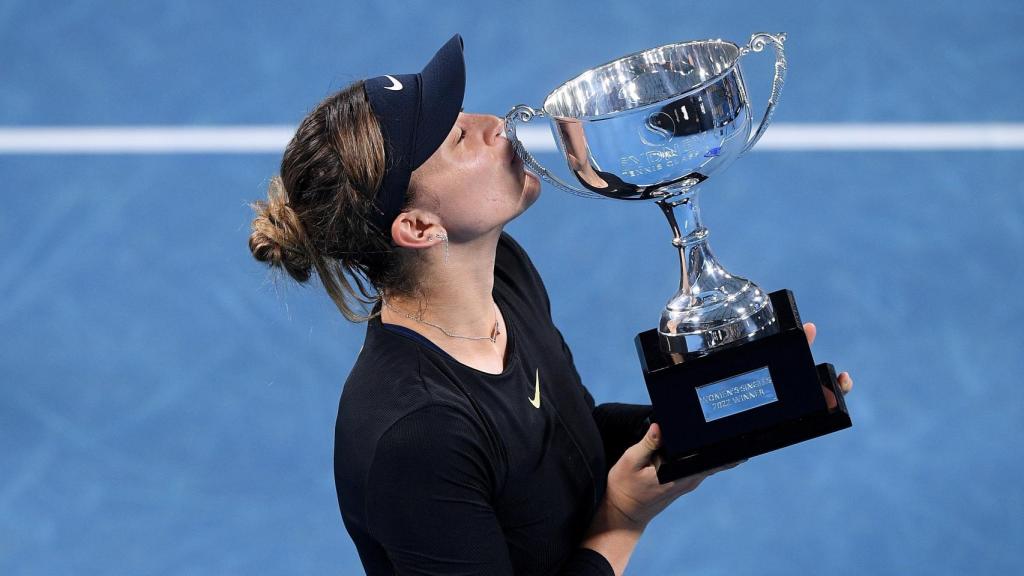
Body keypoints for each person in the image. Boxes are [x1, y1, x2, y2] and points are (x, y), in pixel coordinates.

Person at [248, 34, 853, 576]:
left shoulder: (502, 275)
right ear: (419, 226)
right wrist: (622, 517)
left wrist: (726, 415)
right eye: (459, 136)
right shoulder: (419, 435)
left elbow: (562, 440)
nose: (496, 124)